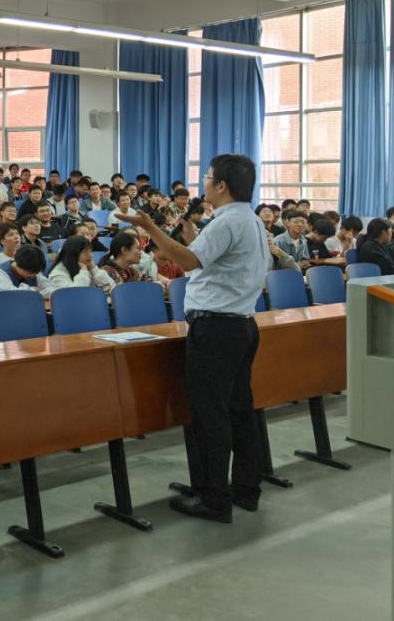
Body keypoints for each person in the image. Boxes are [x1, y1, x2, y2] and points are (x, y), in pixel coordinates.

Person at [117, 153, 268, 523]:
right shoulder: (249, 219)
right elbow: (219, 261)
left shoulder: (226, 221)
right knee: (239, 410)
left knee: (210, 415)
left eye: (209, 177)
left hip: (215, 329)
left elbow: (186, 262)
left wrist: (150, 227)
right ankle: (245, 490)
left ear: (222, 185)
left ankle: (214, 498)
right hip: (241, 325)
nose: (204, 183)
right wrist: (193, 239)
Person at [45, 235, 115, 296]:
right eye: (85, 251)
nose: (91, 255)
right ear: (72, 254)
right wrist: (83, 272)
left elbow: (110, 288)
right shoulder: (58, 273)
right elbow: (76, 294)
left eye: (91, 251)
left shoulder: (88, 266)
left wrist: (94, 269)